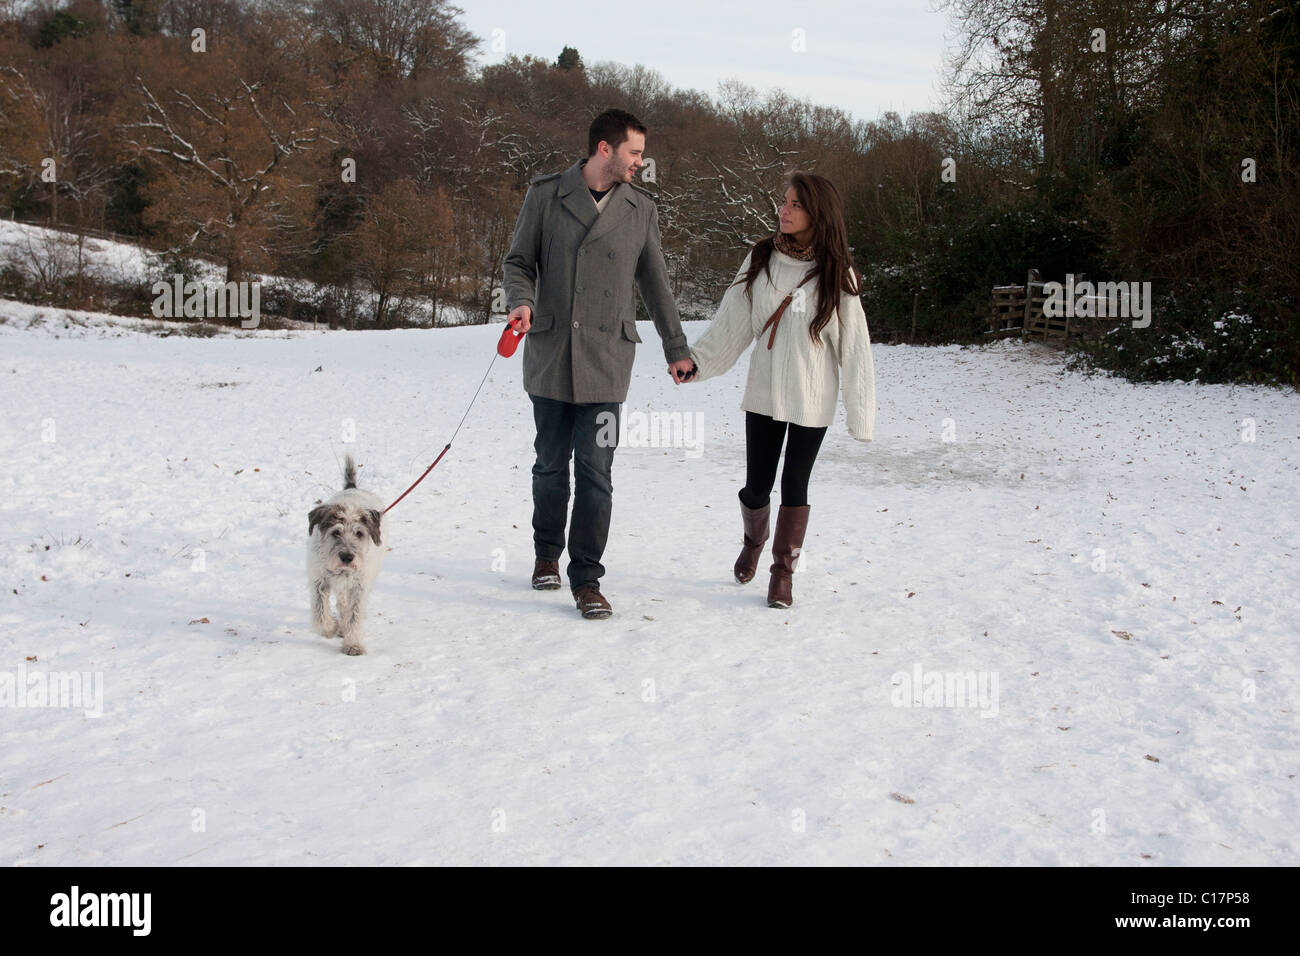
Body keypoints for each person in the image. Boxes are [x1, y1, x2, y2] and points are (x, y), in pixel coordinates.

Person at [502, 108, 696, 619]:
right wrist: (520, 300)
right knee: (550, 465)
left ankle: (586, 579)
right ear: (605, 149)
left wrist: (676, 347)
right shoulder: (546, 194)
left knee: (596, 470)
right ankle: (547, 553)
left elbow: (655, 282)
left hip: (608, 360)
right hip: (550, 355)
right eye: (634, 153)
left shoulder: (641, 209)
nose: (640, 163)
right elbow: (519, 261)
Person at [683, 171, 876, 608]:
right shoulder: (760, 258)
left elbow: (855, 349)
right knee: (757, 486)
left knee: (795, 484)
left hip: (813, 398)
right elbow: (731, 324)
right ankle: (753, 543)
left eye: (794, 205)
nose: (783, 210)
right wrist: (697, 363)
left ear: (817, 214)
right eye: (784, 202)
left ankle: (782, 572)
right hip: (765, 393)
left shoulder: (836, 272)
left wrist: (859, 414)